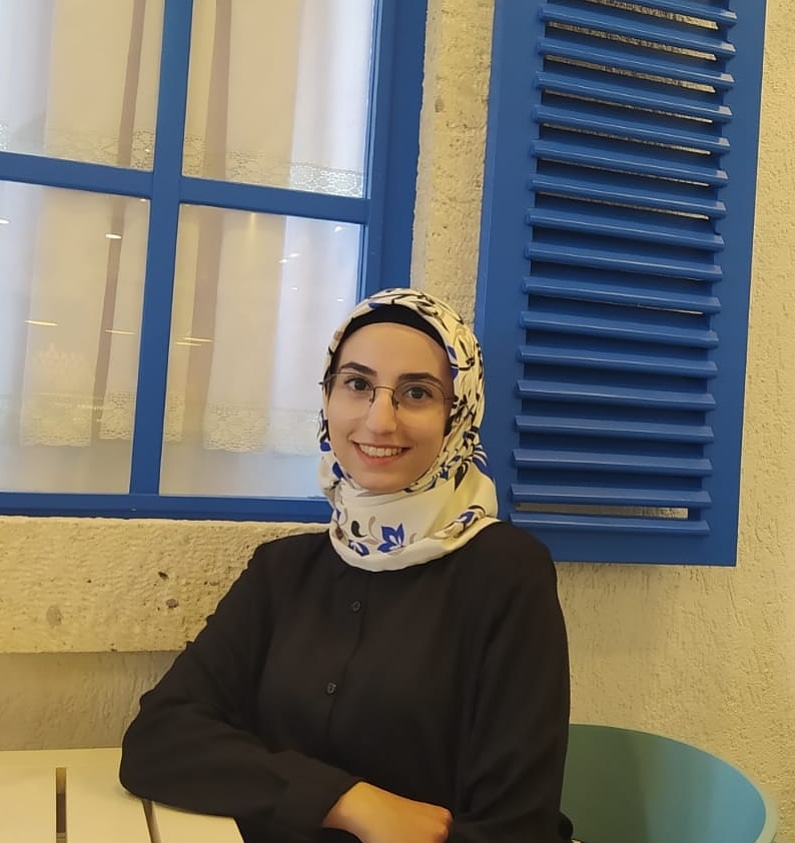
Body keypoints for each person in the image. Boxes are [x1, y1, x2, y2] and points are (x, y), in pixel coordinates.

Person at [119, 288, 571, 843]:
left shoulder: (506, 574)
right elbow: (159, 739)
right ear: (327, 399)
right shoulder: (283, 571)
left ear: (458, 415)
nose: (380, 421)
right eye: (357, 384)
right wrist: (347, 802)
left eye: (416, 393)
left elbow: (516, 827)